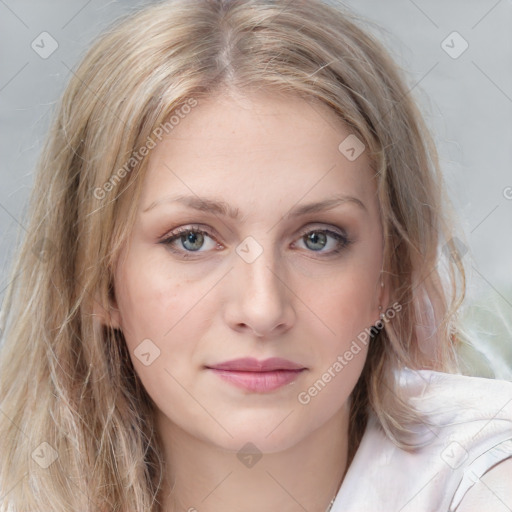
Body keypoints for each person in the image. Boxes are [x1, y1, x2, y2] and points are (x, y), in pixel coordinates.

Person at [0, 0, 510, 511]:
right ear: (95, 278)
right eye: (192, 239)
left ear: (389, 276)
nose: (263, 310)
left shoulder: (483, 476)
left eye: (318, 239)